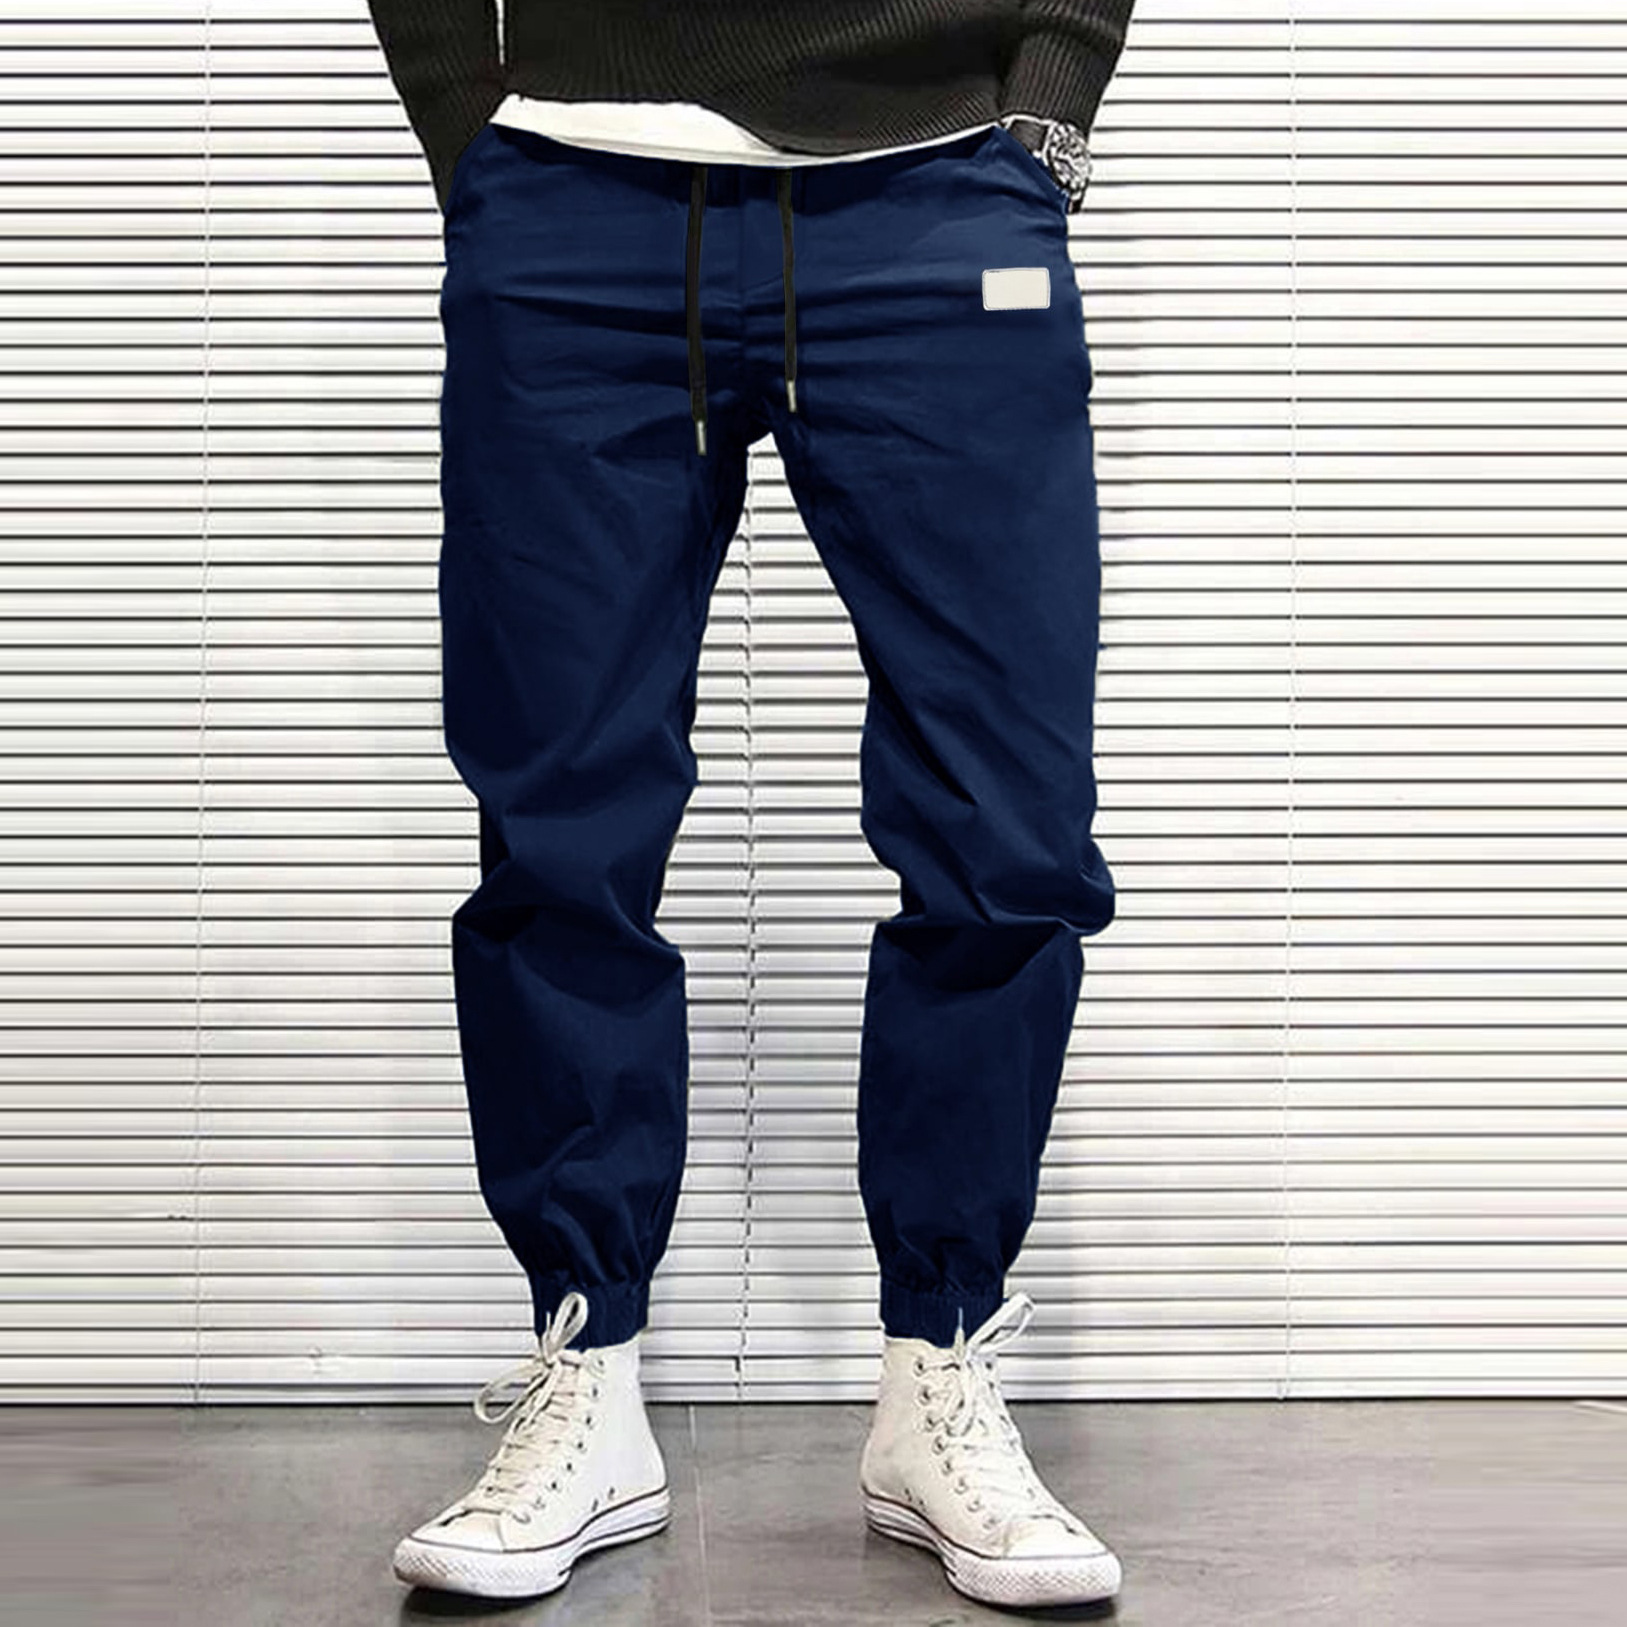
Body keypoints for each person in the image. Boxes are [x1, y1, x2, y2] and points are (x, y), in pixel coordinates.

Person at [364, 0, 1134, 1609]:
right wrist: (464, 118)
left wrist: (1049, 96)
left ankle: (939, 1370)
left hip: (941, 204)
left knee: (1007, 826)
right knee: (561, 825)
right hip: (574, 198)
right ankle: (589, 1374)